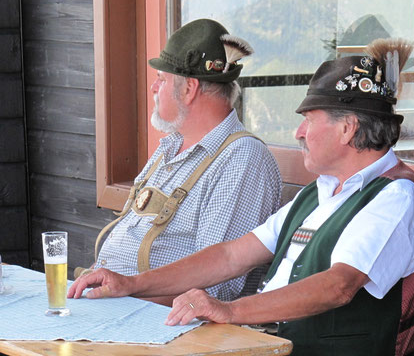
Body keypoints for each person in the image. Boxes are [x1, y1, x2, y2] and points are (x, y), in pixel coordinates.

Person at [69, 38, 414, 356]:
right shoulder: (319, 193)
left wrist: (229, 311)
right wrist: (131, 284)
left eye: (309, 120)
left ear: (347, 129)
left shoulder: (398, 197)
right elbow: (232, 255)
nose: (298, 132)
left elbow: (338, 285)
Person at [80, 18, 282, 303]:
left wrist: (120, 300)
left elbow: (215, 288)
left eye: (161, 79)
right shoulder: (171, 145)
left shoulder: (243, 159)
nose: (153, 88)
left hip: (164, 325)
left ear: (189, 88)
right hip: (115, 305)